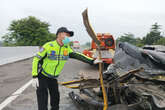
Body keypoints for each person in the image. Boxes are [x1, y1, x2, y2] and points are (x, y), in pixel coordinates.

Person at [31, 27, 101, 110]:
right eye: (66, 34)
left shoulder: (66, 47)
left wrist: (92, 61)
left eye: (69, 36)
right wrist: (35, 76)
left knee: (55, 98)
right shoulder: (49, 46)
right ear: (59, 35)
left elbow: (77, 55)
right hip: (43, 76)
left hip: (53, 78)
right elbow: (36, 59)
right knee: (43, 100)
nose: (68, 37)